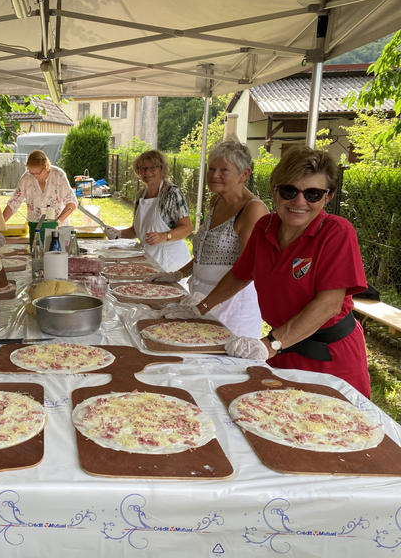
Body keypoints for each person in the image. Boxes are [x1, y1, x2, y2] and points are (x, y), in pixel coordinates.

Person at [195, 147, 371, 397]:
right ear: (274, 190)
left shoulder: (337, 232)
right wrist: (199, 308)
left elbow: (330, 303)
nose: (300, 202)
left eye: (313, 194)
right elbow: (240, 274)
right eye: (289, 191)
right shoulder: (265, 227)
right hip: (283, 349)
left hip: (329, 358)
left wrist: (271, 344)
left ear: (327, 197)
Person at [154, 141, 268, 337]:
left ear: (244, 174)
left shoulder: (252, 210)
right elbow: (206, 254)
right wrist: (178, 274)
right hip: (202, 297)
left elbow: (247, 271)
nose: (214, 175)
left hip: (233, 306)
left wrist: (204, 306)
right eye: (211, 169)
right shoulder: (216, 201)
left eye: (224, 170)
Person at [105, 150, 192, 271]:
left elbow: (187, 228)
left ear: (162, 169)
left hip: (170, 262)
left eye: (153, 168)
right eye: (143, 168)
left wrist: (164, 236)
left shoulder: (172, 193)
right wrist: (118, 234)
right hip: (148, 259)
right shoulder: (141, 195)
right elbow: (137, 231)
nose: (147, 172)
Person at [2, 150, 77, 224]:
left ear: (46, 167)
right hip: (35, 228)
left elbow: (72, 203)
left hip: (58, 229)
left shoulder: (58, 175)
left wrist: (58, 222)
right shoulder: (26, 178)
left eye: (38, 173)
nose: (35, 176)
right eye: (32, 173)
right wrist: (0, 223)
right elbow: (13, 203)